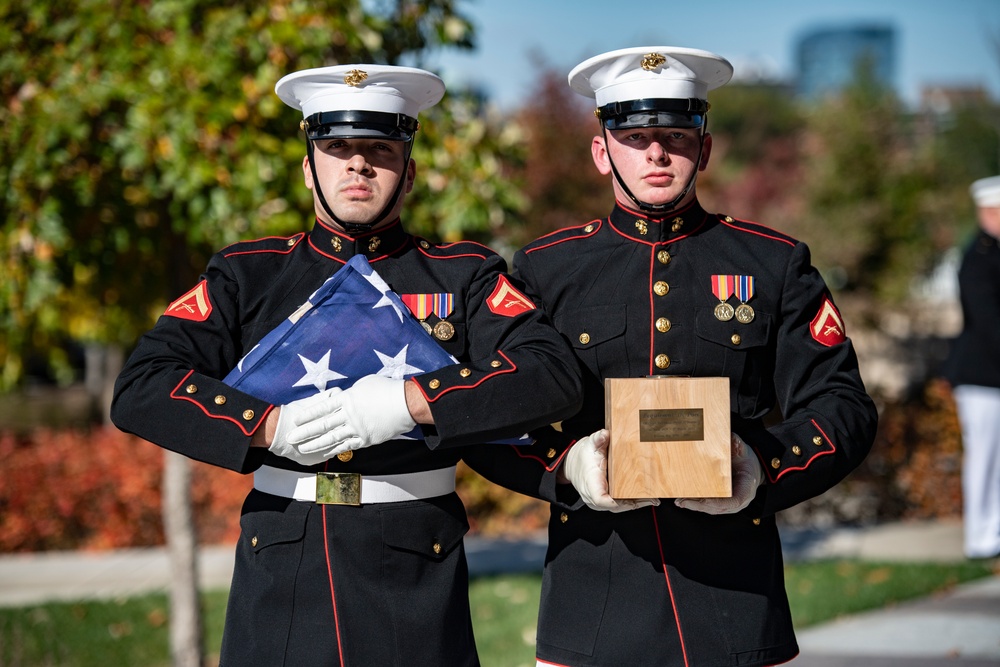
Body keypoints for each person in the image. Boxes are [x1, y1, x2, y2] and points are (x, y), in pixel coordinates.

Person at [110, 64, 583, 666]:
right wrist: (265, 426)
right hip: (283, 561)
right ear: (309, 166)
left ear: (408, 172)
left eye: (380, 149)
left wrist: (409, 401)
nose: (358, 164)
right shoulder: (248, 274)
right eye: (336, 147)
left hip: (414, 565)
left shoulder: (463, 275)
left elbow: (550, 373)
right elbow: (141, 386)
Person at [468, 46, 879, 666]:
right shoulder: (546, 271)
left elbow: (842, 405)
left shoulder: (773, 264)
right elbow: (486, 414)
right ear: (602, 151)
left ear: (705, 149)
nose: (656, 152)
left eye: (676, 134)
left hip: (734, 601)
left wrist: (759, 466)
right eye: (634, 135)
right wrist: (566, 468)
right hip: (595, 603)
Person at [945, 175, 1000, 559]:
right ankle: (980, 538)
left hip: (992, 373)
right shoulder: (978, 257)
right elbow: (988, 321)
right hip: (982, 375)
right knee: (984, 455)